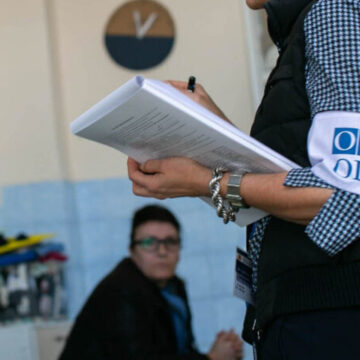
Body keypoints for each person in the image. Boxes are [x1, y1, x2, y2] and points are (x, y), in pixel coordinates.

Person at [127, 0, 360, 359]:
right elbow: (304, 177)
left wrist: (208, 181)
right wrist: (216, 129)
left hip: (330, 317)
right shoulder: (299, 32)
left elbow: (342, 195)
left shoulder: (333, 14)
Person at [59, 205, 243, 360]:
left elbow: (178, 351)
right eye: (149, 242)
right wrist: (212, 358)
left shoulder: (174, 287)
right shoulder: (119, 292)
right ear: (132, 251)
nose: (162, 251)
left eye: (170, 242)